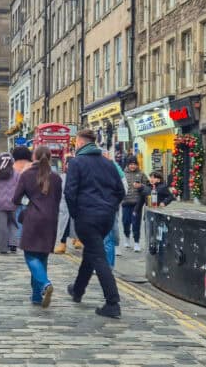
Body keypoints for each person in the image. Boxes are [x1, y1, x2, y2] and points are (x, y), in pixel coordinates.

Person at [65, 129, 126, 319]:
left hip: (86, 216)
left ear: (80, 143)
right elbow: (121, 191)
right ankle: (77, 290)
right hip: (106, 217)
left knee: (98, 257)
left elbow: (69, 192)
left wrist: (76, 214)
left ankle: (112, 302)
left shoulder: (76, 162)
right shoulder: (109, 164)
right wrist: (111, 208)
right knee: (91, 253)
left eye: (76, 143)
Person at [11, 146, 62, 307]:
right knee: (42, 257)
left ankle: (45, 284)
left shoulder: (26, 175)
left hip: (33, 217)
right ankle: (36, 297)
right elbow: (57, 199)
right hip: (51, 219)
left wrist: (27, 200)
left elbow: (15, 198)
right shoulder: (56, 178)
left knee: (30, 256)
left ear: (34, 157)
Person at [0, 153, 20, 254]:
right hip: (13, 202)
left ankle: (3, 247)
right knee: (13, 223)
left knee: (1, 225)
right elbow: (20, 188)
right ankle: (13, 243)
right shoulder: (17, 174)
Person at [120, 157, 146, 253]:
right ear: (128, 164)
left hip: (137, 204)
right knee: (126, 222)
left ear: (137, 165)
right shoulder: (123, 174)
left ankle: (136, 242)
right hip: (125, 203)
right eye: (131, 164)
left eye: (134, 164)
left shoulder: (141, 174)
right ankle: (127, 237)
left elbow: (147, 186)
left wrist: (141, 186)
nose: (133, 166)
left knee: (136, 223)